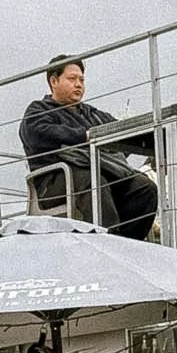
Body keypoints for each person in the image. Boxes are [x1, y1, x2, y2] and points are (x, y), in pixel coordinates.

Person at [18, 57, 158, 238]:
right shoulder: (38, 111)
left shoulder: (92, 114)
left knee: (144, 186)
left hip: (102, 174)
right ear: (54, 81)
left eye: (81, 80)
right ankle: (107, 240)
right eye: (72, 79)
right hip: (54, 181)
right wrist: (85, 136)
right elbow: (37, 132)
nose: (78, 84)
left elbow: (120, 135)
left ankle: (127, 241)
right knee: (94, 181)